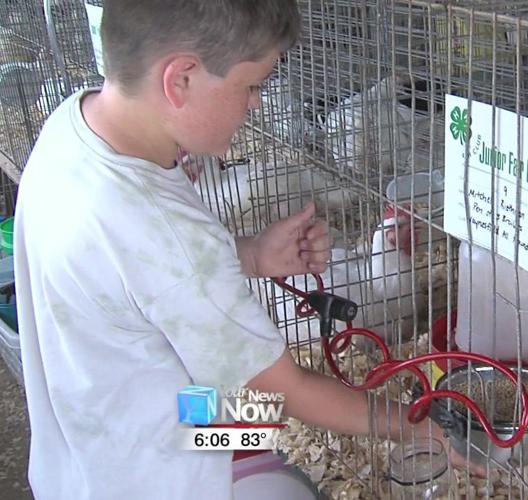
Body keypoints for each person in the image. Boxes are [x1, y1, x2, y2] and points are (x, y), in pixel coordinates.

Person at [13, 1, 471, 499]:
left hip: (100, 450)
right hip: (171, 466)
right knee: (294, 465)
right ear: (180, 79)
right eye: (251, 86)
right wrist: (415, 427)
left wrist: (252, 256)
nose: (256, 104)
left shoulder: (74, 125)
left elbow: (138, 268)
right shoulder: (167, 231)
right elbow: (281, 389)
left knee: (275, 432)